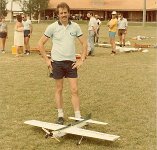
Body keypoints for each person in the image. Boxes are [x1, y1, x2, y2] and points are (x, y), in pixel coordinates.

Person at [38, 2, 87, 125]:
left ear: (69, 13)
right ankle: (60, 115)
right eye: (61, 13)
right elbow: (40, 44)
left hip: (71, 63)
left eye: (65, 12)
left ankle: (78, 116)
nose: (63, 15)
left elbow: (84, 44)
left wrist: (82, 59)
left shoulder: (75, 26)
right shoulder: (52, 27)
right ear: (58, 15)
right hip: (57, 63)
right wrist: (47, 60)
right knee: (59, 89)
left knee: (74, 90)